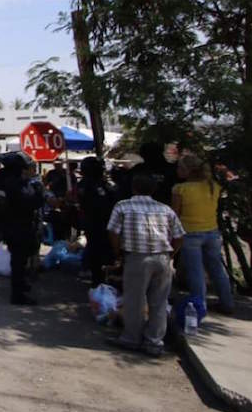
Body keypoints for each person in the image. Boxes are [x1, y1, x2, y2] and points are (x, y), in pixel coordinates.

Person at [107, 174, 185, 357]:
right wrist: (170, 254)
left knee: (135, 300)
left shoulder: (123, 206)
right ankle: (154, 342)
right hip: (162, 258)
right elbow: (180, 235)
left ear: (133, 187)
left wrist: (118, 252)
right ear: (154, 190)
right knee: (159, 302)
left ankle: (131, 338)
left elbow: (113, 231)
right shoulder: (165, 209)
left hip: (137, 257)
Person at [172, 153, 234, 314]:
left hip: (190, 232)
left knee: (196, 271)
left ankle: (200, 305)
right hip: (212, 231)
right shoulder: (213, 186)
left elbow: (175, 214)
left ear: (188, 171)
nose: (177, 170)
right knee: (217, 269)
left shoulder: (180, 189)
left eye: (180, 168)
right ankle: (227, 302)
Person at [0, 152, 43, 305]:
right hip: (19, 225)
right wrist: (38, 192)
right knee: (19, 260)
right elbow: (31, 202)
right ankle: (18, 295)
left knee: (19, 258)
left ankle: (21, 284)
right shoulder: (15, 183)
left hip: (6, 224)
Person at [78, 156, 116, 286]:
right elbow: (103, 203)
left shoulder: (93, 184)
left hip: (96, 222)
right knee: (97, 251)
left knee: (97, 250)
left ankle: (99, 276)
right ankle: (97, 278)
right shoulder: (90, 185)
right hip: (97, 223)